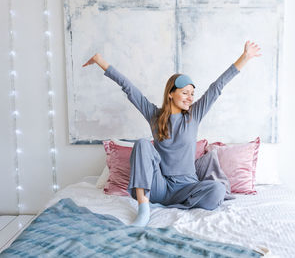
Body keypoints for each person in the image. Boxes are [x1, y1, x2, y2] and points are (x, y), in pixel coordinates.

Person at [83, 41, 261, 226]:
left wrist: (245, 58)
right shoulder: (154, 115)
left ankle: (182, 203)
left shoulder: (194, 115)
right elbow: (129, 88)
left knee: (217, 190)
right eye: (185, 93)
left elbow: (217, 87)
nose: (190, 98)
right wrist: (100, 61)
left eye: (192, 94)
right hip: (160, 186)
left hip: (187, 187)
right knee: (143, 143)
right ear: (170, 93)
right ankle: (144, 210)